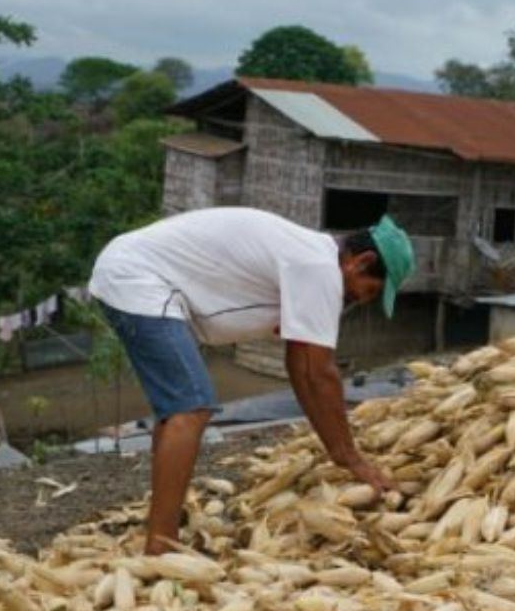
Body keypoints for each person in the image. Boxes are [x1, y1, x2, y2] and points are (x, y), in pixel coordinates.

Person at [89, 207, 415, 554]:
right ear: (360, 263)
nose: (361, 301)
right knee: (191, 407)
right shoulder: (319, 269)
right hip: (138, 278)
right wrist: (349, 457)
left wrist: (339, 452)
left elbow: (301, 367)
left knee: (179, 410)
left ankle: (162, 525)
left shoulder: (310, 260)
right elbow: (320, 374)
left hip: (133, 271)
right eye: (369, 291)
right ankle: (161, 545)